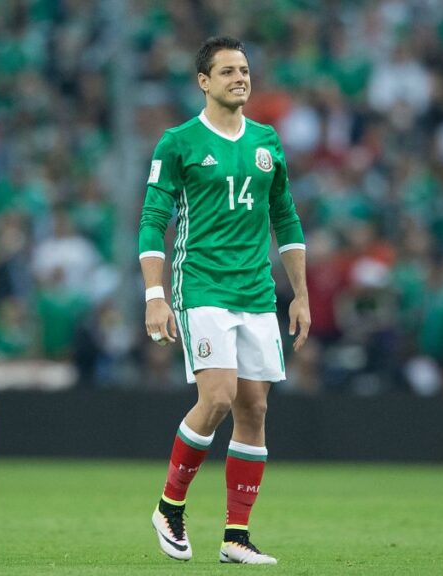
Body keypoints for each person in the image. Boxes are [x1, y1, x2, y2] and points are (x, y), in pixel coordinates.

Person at [139, 37, 309, 566]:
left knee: (254, 407)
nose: (240, 77)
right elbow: (151, 221)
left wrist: (299, 294)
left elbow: (286, 217)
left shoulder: (267, 141)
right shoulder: (179, 142)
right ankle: (169, 506)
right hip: (202, 285)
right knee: (217, 397)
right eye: (228, 70)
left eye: (245, 69)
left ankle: (236, 535)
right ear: (203, 82)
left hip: (256, 291)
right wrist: (154, 296)